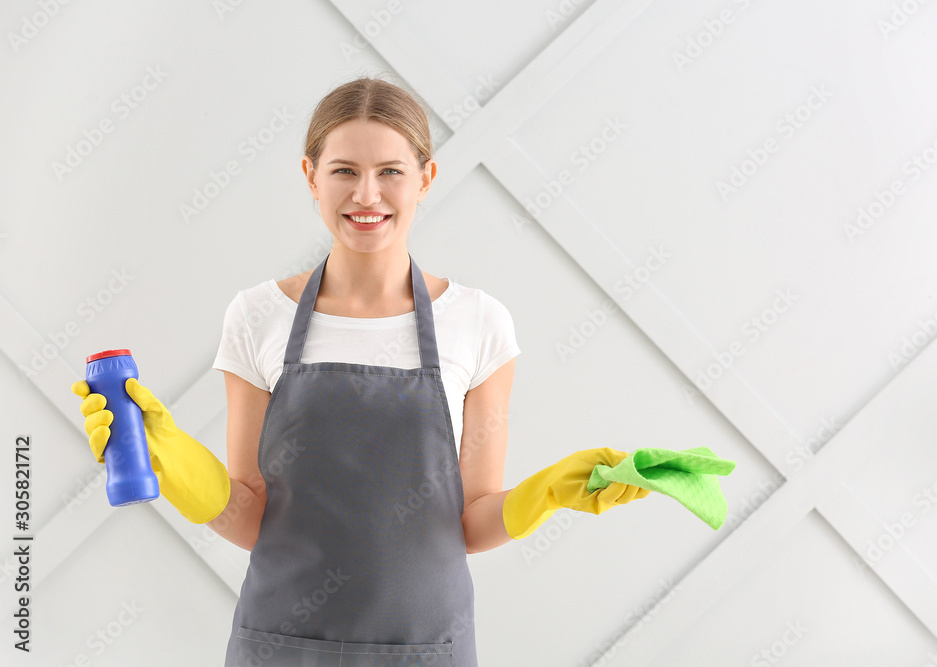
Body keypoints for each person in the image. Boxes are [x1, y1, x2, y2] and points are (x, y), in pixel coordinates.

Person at [71, 75, 650, 666]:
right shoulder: (258, 316)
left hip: (425, 650)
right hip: (284, 648)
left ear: (425, 179)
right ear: (310, 177)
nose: (367, 195)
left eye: (391, 172)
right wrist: (169, 457)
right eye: (344, 170)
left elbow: (471, 523)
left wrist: (550, 492)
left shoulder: (478, 322)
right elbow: (251, 517)